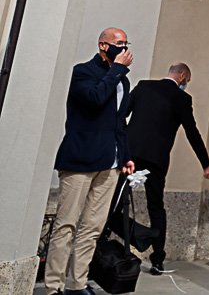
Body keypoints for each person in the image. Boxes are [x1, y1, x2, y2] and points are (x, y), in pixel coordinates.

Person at [45, 28, 135, 295]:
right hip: (80, 160)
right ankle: (53, 287)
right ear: (103, 46)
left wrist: (126, 155)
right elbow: (94, 99)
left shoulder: (123, 81)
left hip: (110, 162)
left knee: (92, 228)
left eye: (126, 43)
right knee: (66, 225)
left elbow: (120, 123)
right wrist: (116, 70)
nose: (124, 47)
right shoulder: (83, 72)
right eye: (118, 43)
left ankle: (77, 284)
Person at [124, 62, 209, 274]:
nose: (186, 84)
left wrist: (120, 145)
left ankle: (119, 248)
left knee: (117, 201)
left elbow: (121, 115)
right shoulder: (182, 98)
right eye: (187, 81)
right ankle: (157, 259)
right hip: (156, 159)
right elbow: (193, 133)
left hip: (130, 155)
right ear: (182, 76)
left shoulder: (143, 86)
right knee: (155, 206)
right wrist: (206, 164)